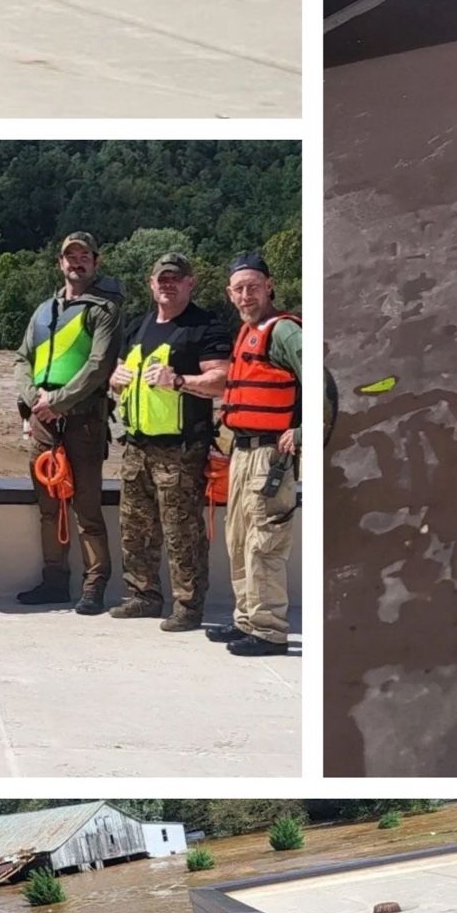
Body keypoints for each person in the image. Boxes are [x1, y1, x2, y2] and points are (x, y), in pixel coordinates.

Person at [108, 253, 229, 631]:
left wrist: (179, 381)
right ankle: (143, 596)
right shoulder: (138, 327)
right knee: (135, 528)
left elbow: (222, 380)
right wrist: (116, 379)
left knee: (183, 532)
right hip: (136, 445)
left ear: (191, 283)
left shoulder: (206, 327)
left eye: (175, 278)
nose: (168, 284)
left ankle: (189, 607)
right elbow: (118, 372)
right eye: (162, 278)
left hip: (180, 450)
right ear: (151, 283)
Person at [14, 231, 124, 612]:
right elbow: (21, 360)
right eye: (69, 257)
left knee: (87, 507)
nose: (76, 263)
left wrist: (59, 402)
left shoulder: (104, 310)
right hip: (44, 422)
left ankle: (94, 585)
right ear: (60, 263)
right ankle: (54, 580)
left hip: (84, 421)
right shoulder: (44, 310)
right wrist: (34, 400)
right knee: (49, 505)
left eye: (83, 257)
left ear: (95, 261)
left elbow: (99, 366)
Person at [209, 252, 300, 657]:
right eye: (239, 289)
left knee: (265, 540)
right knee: (240, 538)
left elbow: (323, 377)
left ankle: (269, 630)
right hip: (242, 453)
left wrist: (302, 429)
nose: (246, 295)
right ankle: (247, 618)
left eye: (253, 286)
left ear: (269, 286)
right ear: (230, 295)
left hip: (270, 455)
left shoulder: (283, 332)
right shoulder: (247, 333)